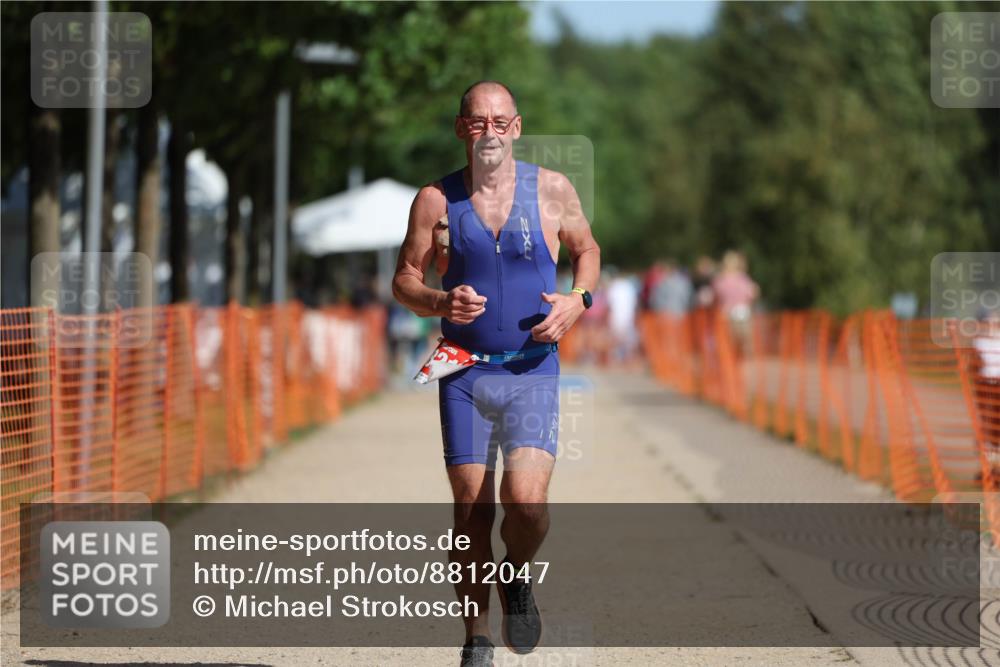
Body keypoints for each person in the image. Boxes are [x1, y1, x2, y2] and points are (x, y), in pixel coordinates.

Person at [392, 80, 601, 666]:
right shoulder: (435, 200)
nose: (491, 132)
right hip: (464, 372)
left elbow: (587, 250)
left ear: (517, 128)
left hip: (532, 369)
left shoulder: (551, 189)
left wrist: (578, 300)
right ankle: (476, 639)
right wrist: (440, 301)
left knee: (527, 504)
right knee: (472, 509)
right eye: (479, 122)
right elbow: (404, 280)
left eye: (501, 122)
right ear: (462, 129)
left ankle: (516, 573)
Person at [711, 250, 759, 356]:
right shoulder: (742, 278)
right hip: (741, 310)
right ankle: (743, 354)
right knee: (743, 338)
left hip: (727, 311)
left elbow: (715, 295)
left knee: (730, 339)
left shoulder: (720, 279)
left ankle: (734, 355)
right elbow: (753, 293)